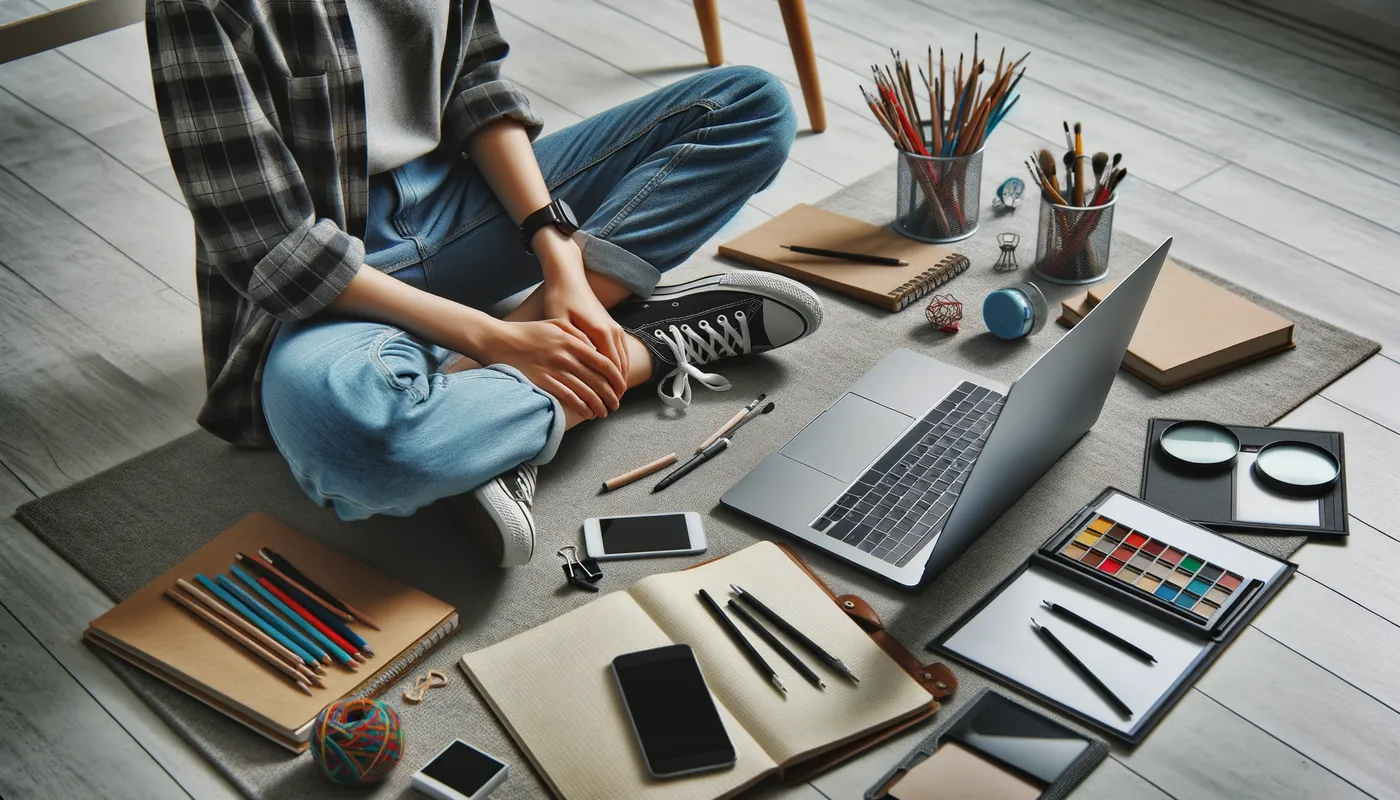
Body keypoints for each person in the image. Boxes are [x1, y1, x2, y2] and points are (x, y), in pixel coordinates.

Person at [147, 0, 823, 566]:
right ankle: (642, 348)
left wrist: (558, 255)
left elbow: (475, 83)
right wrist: (495, 339)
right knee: (363, 451)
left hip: (465, 207)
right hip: (327, 279)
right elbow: (275, 249)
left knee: (750, 105)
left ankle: (510, 391)